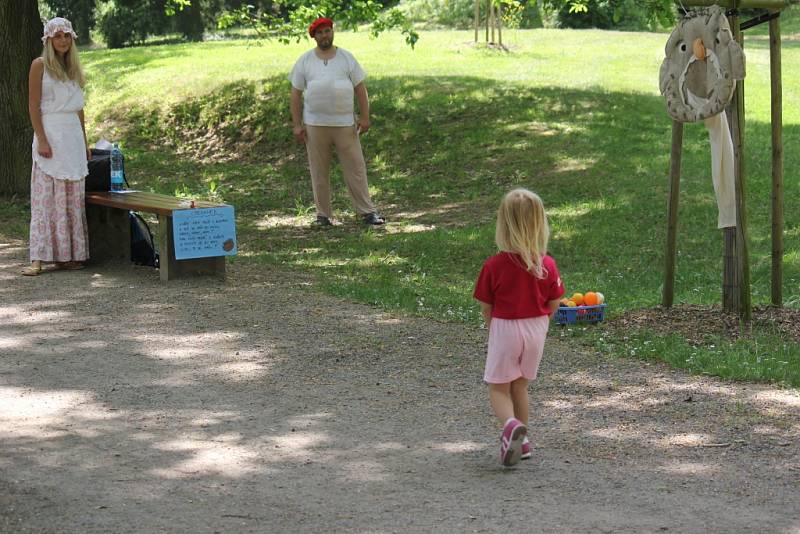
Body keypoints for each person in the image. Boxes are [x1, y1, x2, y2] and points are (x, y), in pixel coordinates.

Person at [473, 188, 565, 466]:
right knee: (520, 385)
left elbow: (486, 305)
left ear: (503, 223)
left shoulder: (494, 265)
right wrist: (541, 325)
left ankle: (511, 425)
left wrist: (494, 330)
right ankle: (522, 441)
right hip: (537, 328)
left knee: (499, 387)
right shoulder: (547, 264)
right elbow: (556, 301)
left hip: (506, 327)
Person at [289, 17, 385, 227]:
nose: (325, 35)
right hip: (315, 125)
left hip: (344, 124)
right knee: (319, 170)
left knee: (356, 168)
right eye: (320, 33)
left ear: (332, 32)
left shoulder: (346, 58)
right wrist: (297, 125)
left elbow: (360, 88)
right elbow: (295, 94)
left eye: (327, 31)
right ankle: (323, 215)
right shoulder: (305, 60)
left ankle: (367, 212)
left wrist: (365, 117)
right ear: (314, 37)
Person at [22, 17, 91, 276]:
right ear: (49, 39)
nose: (62, 40)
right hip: (50, 133)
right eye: (57, 36)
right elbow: (33, 105)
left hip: (71, 136)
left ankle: (67, 255)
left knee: (72, 199)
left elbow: (80, 111)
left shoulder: (73, 68)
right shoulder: (39, 65)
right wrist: (41, 138)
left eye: (66, 36)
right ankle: (38, 258)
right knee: (46, 199)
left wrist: (85, 142)